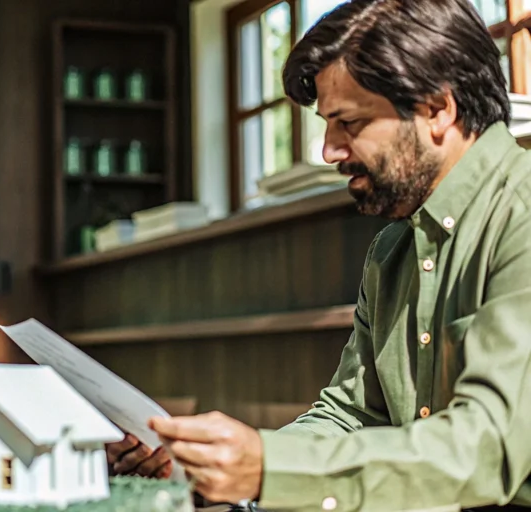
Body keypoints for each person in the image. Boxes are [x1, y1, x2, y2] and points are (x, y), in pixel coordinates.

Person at [144, 0, 531, 509]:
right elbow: (351, 414)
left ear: (439, 109)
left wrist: (271, 469)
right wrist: (223, 460)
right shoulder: (392, 250)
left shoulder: (521, 218)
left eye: (348, 122)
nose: (328, 151)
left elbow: (487, 447)